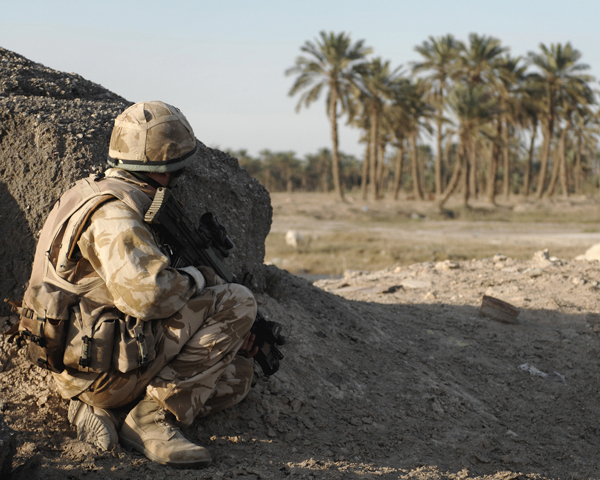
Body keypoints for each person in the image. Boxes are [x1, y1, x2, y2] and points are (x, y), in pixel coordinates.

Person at [21, 101, 258, 468]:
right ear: (166, 169)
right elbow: (149, 298)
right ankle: (148, 419)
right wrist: (199, 278)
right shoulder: (115, 214)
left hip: (73, 363)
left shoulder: (88, 191)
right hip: (101, 370)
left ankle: (101, 410)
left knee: (238, 377)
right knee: (239, 302)